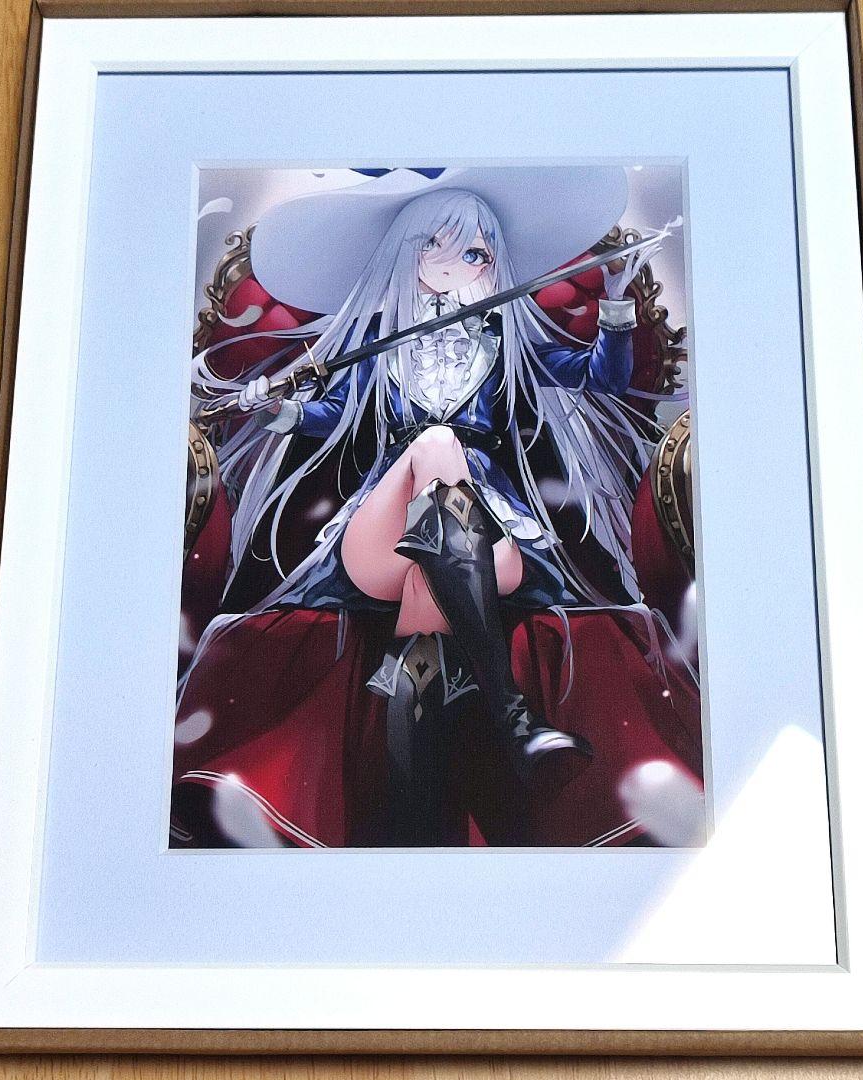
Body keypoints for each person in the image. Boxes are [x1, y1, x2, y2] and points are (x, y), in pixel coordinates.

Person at [186, 167, 674, 844]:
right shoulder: (377, 345)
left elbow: (603, 378)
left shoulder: (507, 342)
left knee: (431, 587)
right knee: (435, 442)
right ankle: (514, 719)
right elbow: (331, 415)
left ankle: (414, 818)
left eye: (478, 251)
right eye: (444, 246)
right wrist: (276, 409)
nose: (466, 263)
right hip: (380, 534)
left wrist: (616, 304)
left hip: (484, 530)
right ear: (410, 251)